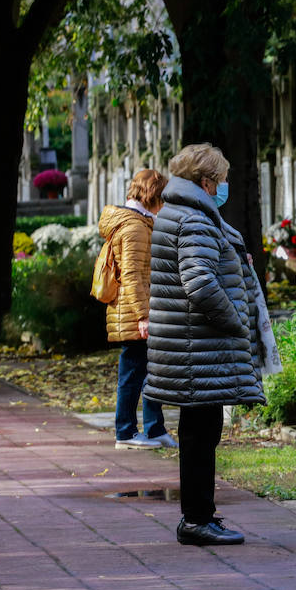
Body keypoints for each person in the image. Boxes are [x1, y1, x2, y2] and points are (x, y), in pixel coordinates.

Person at [144, 143, 265, 546]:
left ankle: (200, 514)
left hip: (190, 348)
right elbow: (199, 283)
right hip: (199, 348)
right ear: (206, 182)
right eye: (223, 179)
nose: (226, 186)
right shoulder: (194, 220)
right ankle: (197, 519)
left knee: (199, 432)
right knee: (201, 433)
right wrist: (236, 322)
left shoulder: (177, 213)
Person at [98, 169, 174, 450]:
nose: (165, 203)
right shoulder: (134, 227)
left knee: (152, 372)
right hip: (134, 315)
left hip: (139, 311)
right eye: (162, 197)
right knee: (132, 374)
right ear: (152, 195)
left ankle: (154, 429)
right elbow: (131, 274)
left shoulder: (140, 223)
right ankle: (126, 432)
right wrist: (143, 315)